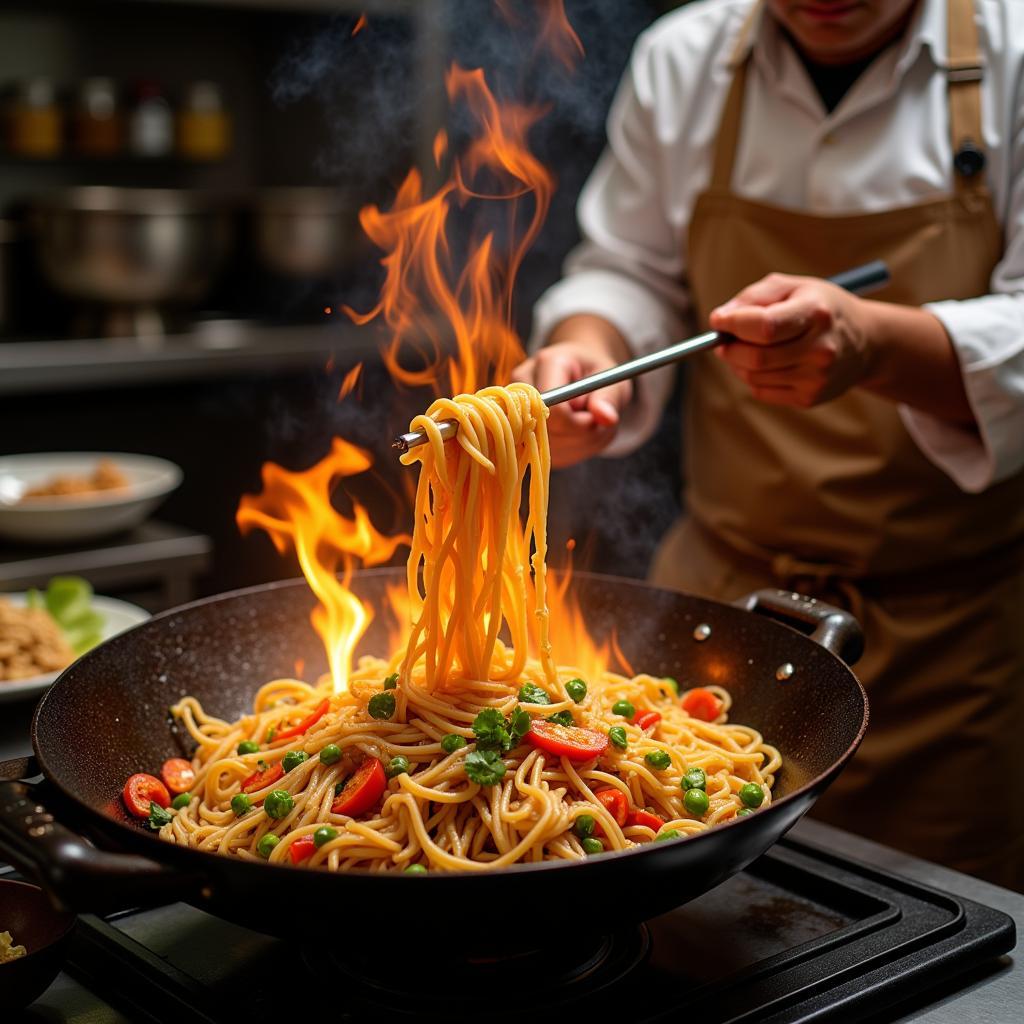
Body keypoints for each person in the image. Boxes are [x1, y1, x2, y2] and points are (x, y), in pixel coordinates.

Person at [514, 0, 1024, 889]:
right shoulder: (686, 55)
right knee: (688, 915)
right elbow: (626, 268)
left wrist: (871, 343)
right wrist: (590, 355)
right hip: (723, 623)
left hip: (953, 651)